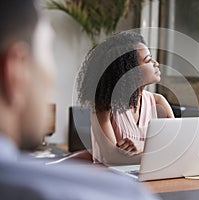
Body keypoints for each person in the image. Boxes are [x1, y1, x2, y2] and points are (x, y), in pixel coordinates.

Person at [0, 1, 158, 199]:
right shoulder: (120, 194)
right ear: (16, 70)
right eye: (49, 52)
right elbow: (105, 155)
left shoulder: (155, 102)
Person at [76, 31, 174, 165]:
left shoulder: (159, 103)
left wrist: (142, 148)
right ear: (129, 71)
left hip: (150, 180)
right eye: (148, 60)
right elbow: (112, 158)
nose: (155, 63)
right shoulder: (102, 106)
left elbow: (175, 147)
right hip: (109, 181)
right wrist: (157, 155)